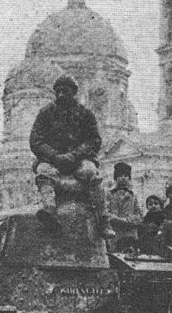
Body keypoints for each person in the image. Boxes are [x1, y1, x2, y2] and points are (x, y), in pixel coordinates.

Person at [29, 75, 114, 238]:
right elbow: (36, 140)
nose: (61, 95)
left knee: (91, 172)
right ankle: (49, 211)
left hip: (78, 160)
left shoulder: (85, 114)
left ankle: (103, 219)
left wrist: (74, 155)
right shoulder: (46, 113)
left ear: (74, 92)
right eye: (58, 91)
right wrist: (55, 155)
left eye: (65, 91)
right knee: (44, 173)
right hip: (52, 160)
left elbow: (94, 140)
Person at [106, 162, 143, 250]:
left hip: (130, 234)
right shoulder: (109, 194)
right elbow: (106, 212)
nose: (123, 178)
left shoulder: (133, 195)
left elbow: (139, 215)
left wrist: (126, 220)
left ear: (129, 178)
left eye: (126, 176)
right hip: (114, 233)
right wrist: (114, 219)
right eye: (120, 175)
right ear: (115, 178)